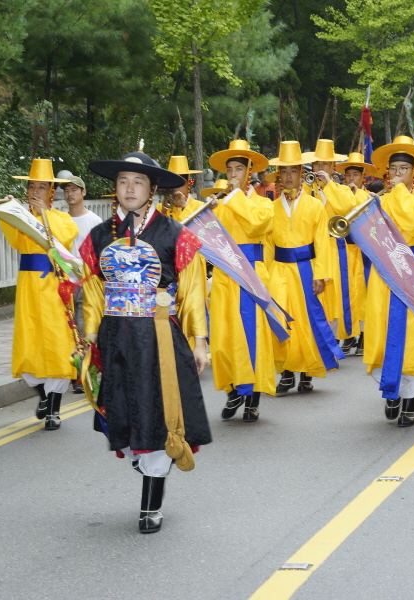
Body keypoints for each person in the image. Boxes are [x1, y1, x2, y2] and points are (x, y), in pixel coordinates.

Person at [81, 151, 211, 534]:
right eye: (123, 181)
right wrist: (89, 339)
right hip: (116, 337)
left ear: (153, 188)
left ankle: (150, 502)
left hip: (158, 337)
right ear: (115, 189)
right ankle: (149, 462)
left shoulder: (175, 235)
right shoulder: (100, 236)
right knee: (124, 410)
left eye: (138, 182)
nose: (130, 188)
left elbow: (192, 293)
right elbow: (92, 292)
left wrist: (199, 340)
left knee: (158, 413)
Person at [364, 136, 414, 427]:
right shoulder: (376, 202)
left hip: (412, 274)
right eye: (393, 168)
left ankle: (410, 403)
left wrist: (399, 193)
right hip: (385, 277)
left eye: (404, 169)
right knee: (384, 334)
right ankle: (392, 392)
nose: (397, 174)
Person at [0, 159, 79, 431]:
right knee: (29, 343)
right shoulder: (23, 216)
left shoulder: (62, 218)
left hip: (55, 285)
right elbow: (15, 239)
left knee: (58, 345)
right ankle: (44, 398)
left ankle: (54, 410)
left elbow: (63, 241)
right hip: (30, 287)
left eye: (41, 187)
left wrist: (44, 213)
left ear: (51, 192)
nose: (35, 191)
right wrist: (10, 209)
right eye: (31, 186)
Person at [206, 140, 276, 422]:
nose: (233, 174)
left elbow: (257, 226)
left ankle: (253, 399)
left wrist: (234, 197)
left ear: (249, 173)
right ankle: (233, 390)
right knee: (224, 337)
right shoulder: (220, 204)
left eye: (239, 169)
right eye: (230, 169)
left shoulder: (262, 203)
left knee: (253, 336)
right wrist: (208, 211)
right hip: (225, 276)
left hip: (251, 273)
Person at [267, 141, 343, 395]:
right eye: (284, 172)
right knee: (282, 318)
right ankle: (287, 370)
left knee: (307, 320)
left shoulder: (314, 205)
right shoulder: (271, 208)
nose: (288, 177)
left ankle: (308, 370)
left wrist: (321, 274)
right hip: (279, 269)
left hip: (306, 268)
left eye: (294, 171)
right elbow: (267, 244)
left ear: (302, 174)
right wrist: (265, 275)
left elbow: (323, 241)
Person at [303, 140, 359, 347]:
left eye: (325, 164)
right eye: (316, 164)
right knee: (313, 291)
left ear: (332, 167)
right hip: (311, 249)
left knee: (333, 293)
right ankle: (316, 337)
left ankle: (331, 338)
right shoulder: (306, 188)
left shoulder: (341, 190)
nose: (319, 169)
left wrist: (328, 185)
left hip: (334, 249)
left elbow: (346, 209)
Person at [58, 171, 104, 394]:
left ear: (83, 192)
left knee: (86, 327)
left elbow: (99, 253)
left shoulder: (94, 221)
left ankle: (86, 373)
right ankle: (75, 372)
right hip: (65, 282)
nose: (69, 194)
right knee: (69, 328)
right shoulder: (60, 219)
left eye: (74, 190)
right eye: (66, 190)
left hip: (87, 281)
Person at [335, 151, 377, 355]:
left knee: (363, 294)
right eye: (348, 176)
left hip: (363, 251)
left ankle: (365, 333)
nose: (351, 179)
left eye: (355, 175)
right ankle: (349, 334)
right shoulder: (339, 195)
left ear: (363, 178)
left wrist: (356, 194)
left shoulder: (369, 197)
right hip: (344, 249)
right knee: (346, 292)